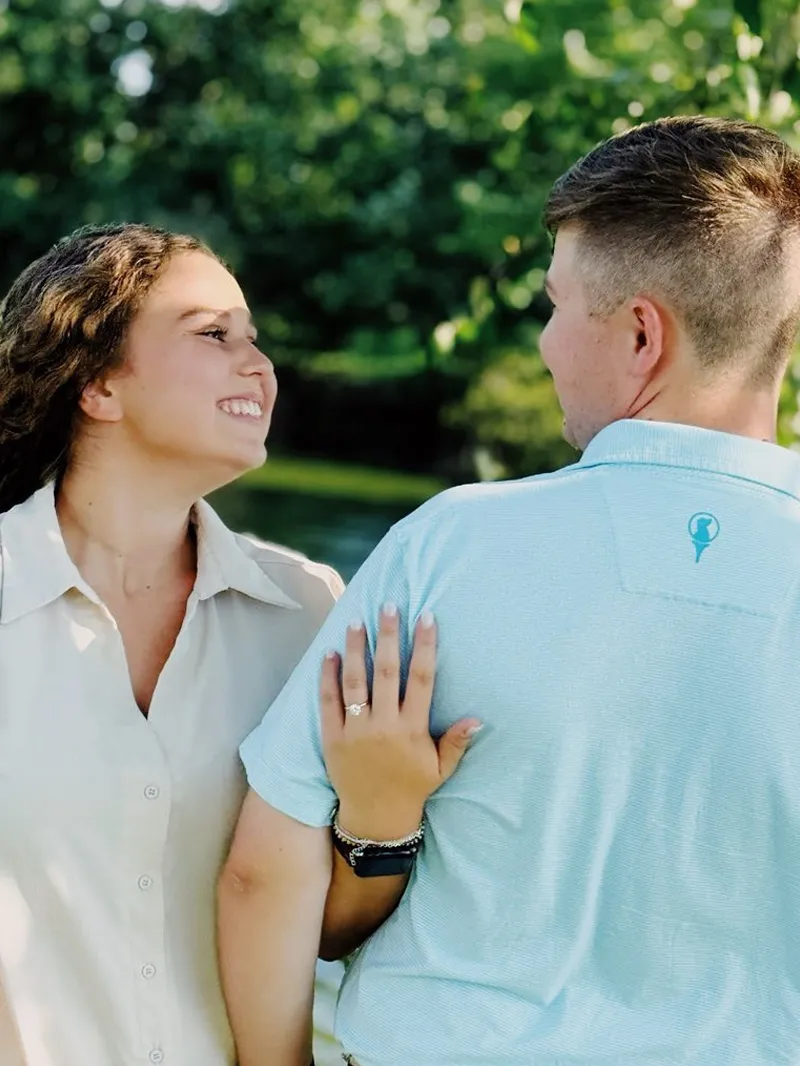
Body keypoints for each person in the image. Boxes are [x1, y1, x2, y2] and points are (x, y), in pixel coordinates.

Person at [220, 115, 800, 1066]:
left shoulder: (450, 546)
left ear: (643, 334)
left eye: (557, 305)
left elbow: (262, 877)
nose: (543, 344)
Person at [0, 222, 450, 1066]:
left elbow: (328, 926)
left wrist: (382, 819)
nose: (259, 366)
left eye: (254, 338)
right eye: (214, 335)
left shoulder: (309, 609)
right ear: (97, 383)